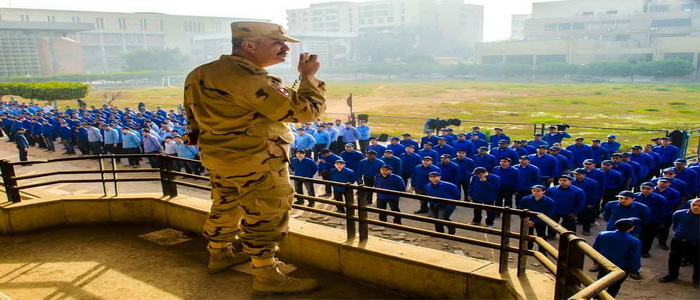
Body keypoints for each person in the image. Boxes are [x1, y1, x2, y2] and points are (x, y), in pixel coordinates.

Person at [183, 21, 326, 292]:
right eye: (277, 43)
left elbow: (194, 118)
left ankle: (219, 253)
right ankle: (266, 275)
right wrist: (309, 78)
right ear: (249, 45)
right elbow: (306, 112)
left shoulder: (200, 73)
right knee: (267, 212)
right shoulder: (250, 79)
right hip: (257, 161)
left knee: (225, 205)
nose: (285, 48)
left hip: (219, 157)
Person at [592, 217, 642, 298]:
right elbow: (635, 257)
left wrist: (595, 261)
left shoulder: (602, 234)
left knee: (600, 283)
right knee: (615, 286)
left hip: (604, 264)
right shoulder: (634, 241)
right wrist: (634, 270)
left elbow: (595, 248)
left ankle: (596, 297)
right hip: (621, 267)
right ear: (631, 228)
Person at [658, 198, 699, 287]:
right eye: (694, 205)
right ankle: (672, 275)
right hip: (679, 241)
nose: (696, 207)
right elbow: (675, 225)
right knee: (674, 259)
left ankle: (697, 280)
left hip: (697, 243)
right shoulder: (679, 214)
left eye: (699, 206)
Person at [634, 182, 668, 258]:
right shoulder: (635, 196)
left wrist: (661, 223)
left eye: (648, 189)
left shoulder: (660, 199)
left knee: (648, 237)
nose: (645, 190)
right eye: (643, 188)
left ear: (653, 189)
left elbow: (662, 212)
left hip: (651, 221)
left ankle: (645, 251)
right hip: (636, 220)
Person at [517, 185, 555, 250]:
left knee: (541, 235)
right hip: (528, 220)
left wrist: (535, 221)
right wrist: (525, 219)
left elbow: (549, 213)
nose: (535, 192)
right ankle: (527, 248)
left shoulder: (549, 201)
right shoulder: (525, 199)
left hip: (541, 221)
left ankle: (542, 250)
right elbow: (520, 209)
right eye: (533, 191)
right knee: (527, 235)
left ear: (543, 192)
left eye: (538, 191)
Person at [572, 168, 600, 236]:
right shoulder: (572, 181)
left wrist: (591, 203)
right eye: (575, 174)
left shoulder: (592, 182)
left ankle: (586, 230)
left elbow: (595, 194)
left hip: (586, 202)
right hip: (574, 202)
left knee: (586, 217)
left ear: (584, 175)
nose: (576, 175)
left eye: (578, 174)